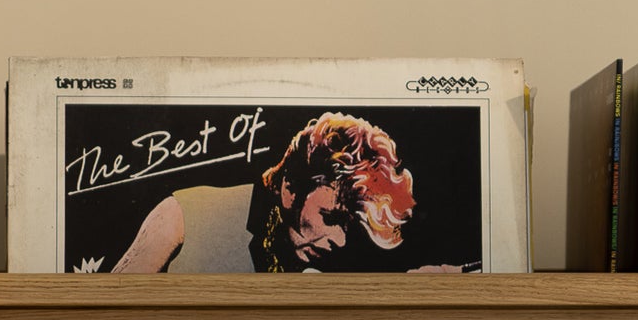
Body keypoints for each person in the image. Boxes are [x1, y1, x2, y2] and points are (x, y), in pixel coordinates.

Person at [111, 111, 417, 274]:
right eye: (330, 217)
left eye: (349, 226)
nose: (340, 240)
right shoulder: (183, 216)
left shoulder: (316, 271)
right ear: (290, 188)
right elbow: (108, 318)